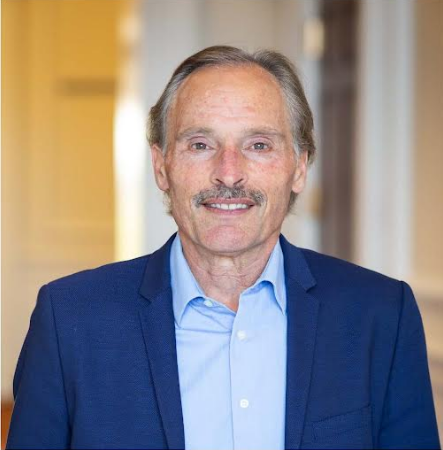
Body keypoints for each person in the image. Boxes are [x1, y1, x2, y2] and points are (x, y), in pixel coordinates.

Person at [6, 46, 440, 450]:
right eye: (200, 144)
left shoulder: (381, 314)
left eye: (258, 145)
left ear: (298, 167)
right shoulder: (69, 319)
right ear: (162, 167)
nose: (229, 174)